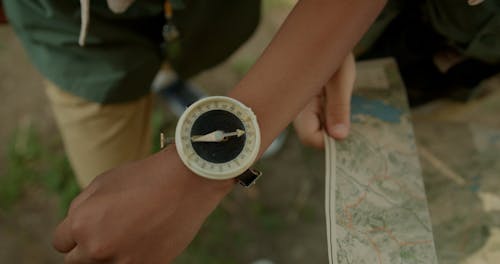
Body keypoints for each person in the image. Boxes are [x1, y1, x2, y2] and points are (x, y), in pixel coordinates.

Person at [5, 0, 385, 263]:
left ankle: (168, 80)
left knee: (193, 50)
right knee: (114, 214)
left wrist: (309, 62)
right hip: (72, 32)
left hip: (208, 15)